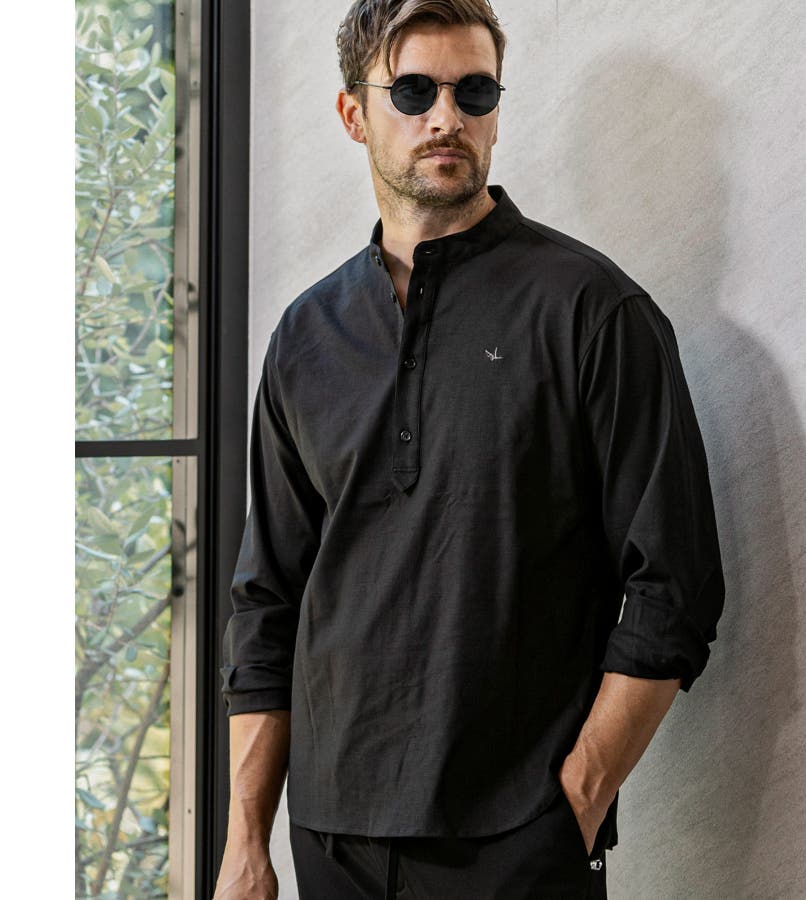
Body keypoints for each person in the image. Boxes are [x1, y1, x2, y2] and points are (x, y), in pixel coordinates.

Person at [213, 1, 725, 898]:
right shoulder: (305, 336)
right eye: (413, 91)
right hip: (331, 842)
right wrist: (246, 841)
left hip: (518, 841)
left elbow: (674, 585)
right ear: (354, 114)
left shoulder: (593, 311)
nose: (446, 116)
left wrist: (580, 794)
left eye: (474, 91)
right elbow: (268, 601)